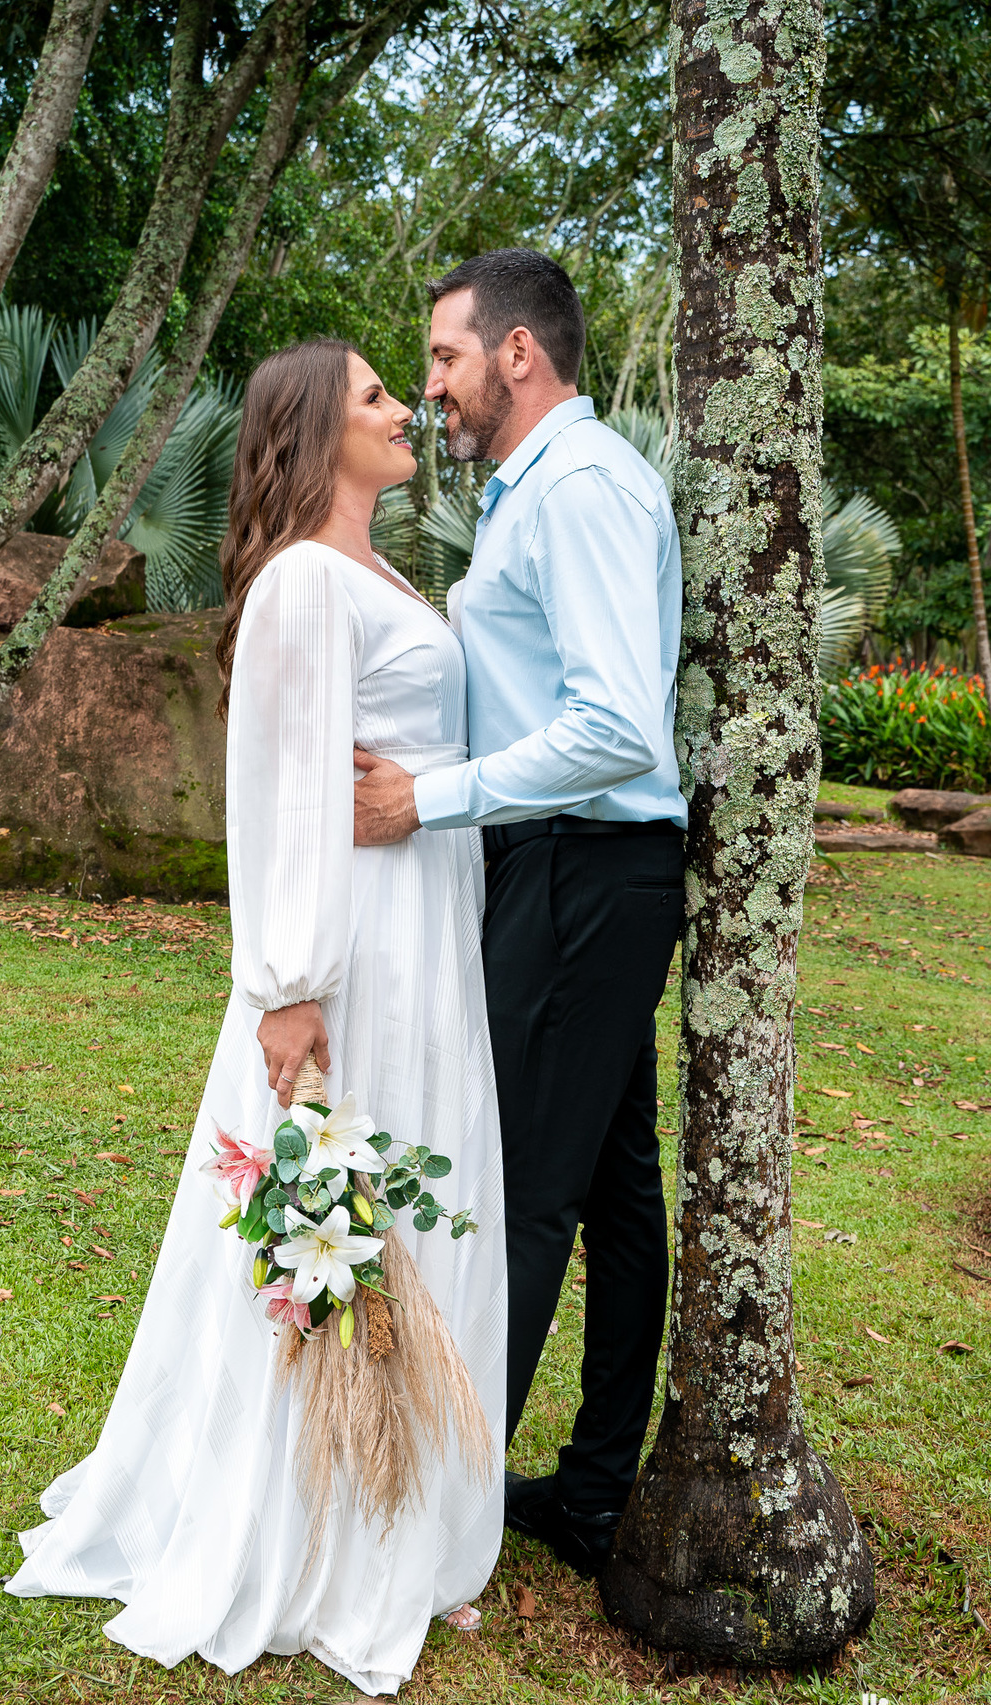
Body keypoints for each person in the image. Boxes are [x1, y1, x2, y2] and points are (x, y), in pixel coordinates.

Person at [5, 339, 506, 1695]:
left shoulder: (380, 570)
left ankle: (409, 1514)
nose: (405, 409)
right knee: (337, 1236)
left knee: (414, 1210)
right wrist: (286, 988)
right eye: (373, 401)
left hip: (426, 938)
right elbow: (280, 792)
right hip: (353, 961)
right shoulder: (298, 583)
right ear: (310, 434)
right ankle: (321, 1532)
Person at [353, 248, 686, 1582]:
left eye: (441, 358)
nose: (430, 387)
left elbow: (613, 725)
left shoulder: (586, 490)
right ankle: (596, 1493)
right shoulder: (531, 492)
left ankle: (448, 1513)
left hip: (583, 865)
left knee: (525, 1192)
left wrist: (438, 797)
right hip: (574, 865)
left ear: (516, 355)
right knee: (612, 1184)